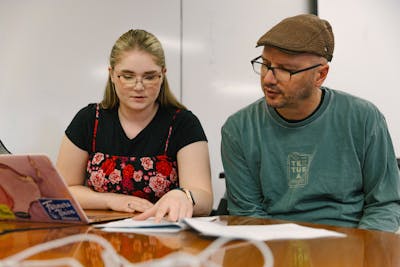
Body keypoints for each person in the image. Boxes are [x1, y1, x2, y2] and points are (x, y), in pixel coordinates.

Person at [221, 14, 400, 232]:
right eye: (265, 64)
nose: (268, 78)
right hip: (275, 246)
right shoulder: (238, 129)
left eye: (286, 70)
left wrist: (362, 251)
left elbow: (385, 204)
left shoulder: (364, 119)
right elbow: (248, 214)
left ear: (320, 75)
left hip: (348, 243)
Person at [56, 29, 213, 222]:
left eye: (149, 76)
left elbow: (204, 200)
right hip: (99, 240)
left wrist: (184, 195)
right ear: (112, 74)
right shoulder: (89, 120)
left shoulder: (184, 124)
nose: (139, 86)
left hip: (164, 238)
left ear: (162, 75)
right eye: (128, 76)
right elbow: (62, 192)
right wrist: (110, 201)